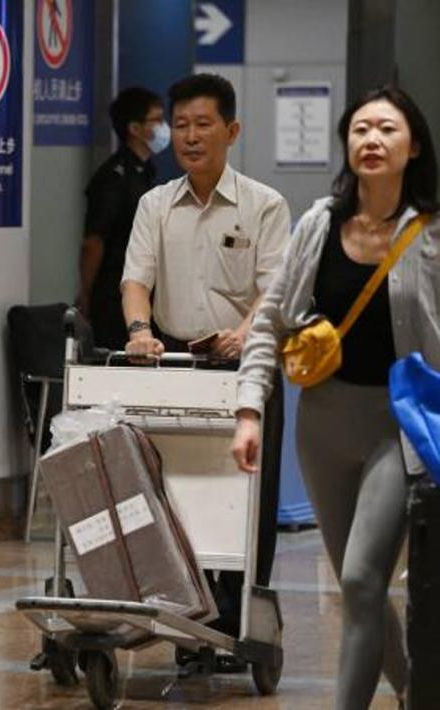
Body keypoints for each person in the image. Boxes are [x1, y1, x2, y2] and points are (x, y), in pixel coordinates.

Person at [232, 85, 440, 709]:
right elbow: (271, 321)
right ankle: (414, 692)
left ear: (414, 147)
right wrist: (248, 408)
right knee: (364, 592)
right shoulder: (319, 224)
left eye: (386, 130)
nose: (371, 141)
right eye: (360, 130)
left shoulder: (431, 234)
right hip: (322, 424)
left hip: (398, 425)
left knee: (358, 576)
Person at [121, 73, 290, 667]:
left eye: (204, 124)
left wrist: (245, 333)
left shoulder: (265, 205)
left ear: (232, 130)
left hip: (247, 366)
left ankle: (243, 623)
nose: (190, 137)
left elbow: (275, 292)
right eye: (182, 126)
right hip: (175, 361)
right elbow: (136, 279)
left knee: (246, 502)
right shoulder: (154, 204)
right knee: (179, 497)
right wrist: (140, 332)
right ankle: (194, 624)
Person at [77, 87, 168, 350]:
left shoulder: (145, 173)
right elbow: (93, 241)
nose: (164, 128)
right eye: (157, 120)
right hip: (113, 293)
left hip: (146, 289)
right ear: (135, 129)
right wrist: (86, 294)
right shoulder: (113, 178)